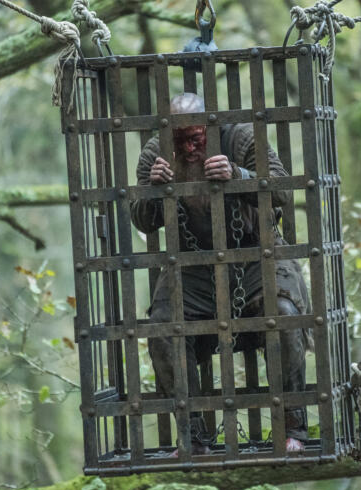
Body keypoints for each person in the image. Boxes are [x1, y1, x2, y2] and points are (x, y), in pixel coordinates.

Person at [131, 93, 310, 454]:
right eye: (179, 142)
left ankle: (293, 425)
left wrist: (239, 176)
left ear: (210, 130)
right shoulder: (155, 153)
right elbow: (142, 221)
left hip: (256, 254)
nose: (188, 149)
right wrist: (153, 191)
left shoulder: (241, 137)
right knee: (163, 328)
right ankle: (192, 436)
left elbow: (282, 192)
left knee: (286, 316)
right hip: (192, 265)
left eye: (195, 139)